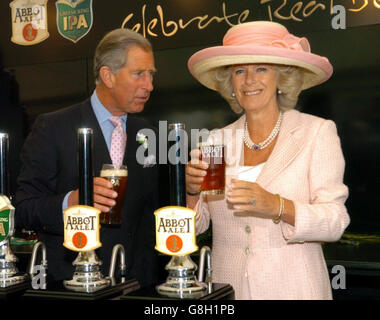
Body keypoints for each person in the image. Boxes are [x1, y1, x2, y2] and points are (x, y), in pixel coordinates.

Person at [186, 21, 350, 299]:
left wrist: (277, 205)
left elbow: (335, 221)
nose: (249, 80)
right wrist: (191, 192)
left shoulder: (317, 132)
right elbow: (193, 229)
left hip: (296, 289)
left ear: (281, 78)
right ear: (231, 82)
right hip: (229, 290)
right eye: (240, 71)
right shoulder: (216, 141)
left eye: (261, 68)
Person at [15, 28, 160, 287]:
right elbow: (25, 208)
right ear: (108, 76)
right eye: (139, 74)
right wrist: (71, 201)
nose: (149, 85)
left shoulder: (147, 134)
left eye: (151, 75)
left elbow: (151, 212)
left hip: (136, 285)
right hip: (71, 283)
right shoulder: (53, 127)